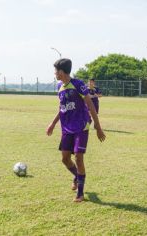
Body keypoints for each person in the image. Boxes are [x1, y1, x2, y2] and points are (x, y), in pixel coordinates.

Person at [46, 58, 106, 203]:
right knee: (65, 159)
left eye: (56, 71)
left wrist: (98, 127)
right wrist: (53, 124)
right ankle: (76, 176)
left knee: (78, 158)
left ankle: (80, 193)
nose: (55, 73)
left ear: (61, 71)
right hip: (66, 128)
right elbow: (61, 108)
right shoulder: (59, 87)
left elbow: (90, 105)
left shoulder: (78, 85)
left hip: (81, 126)